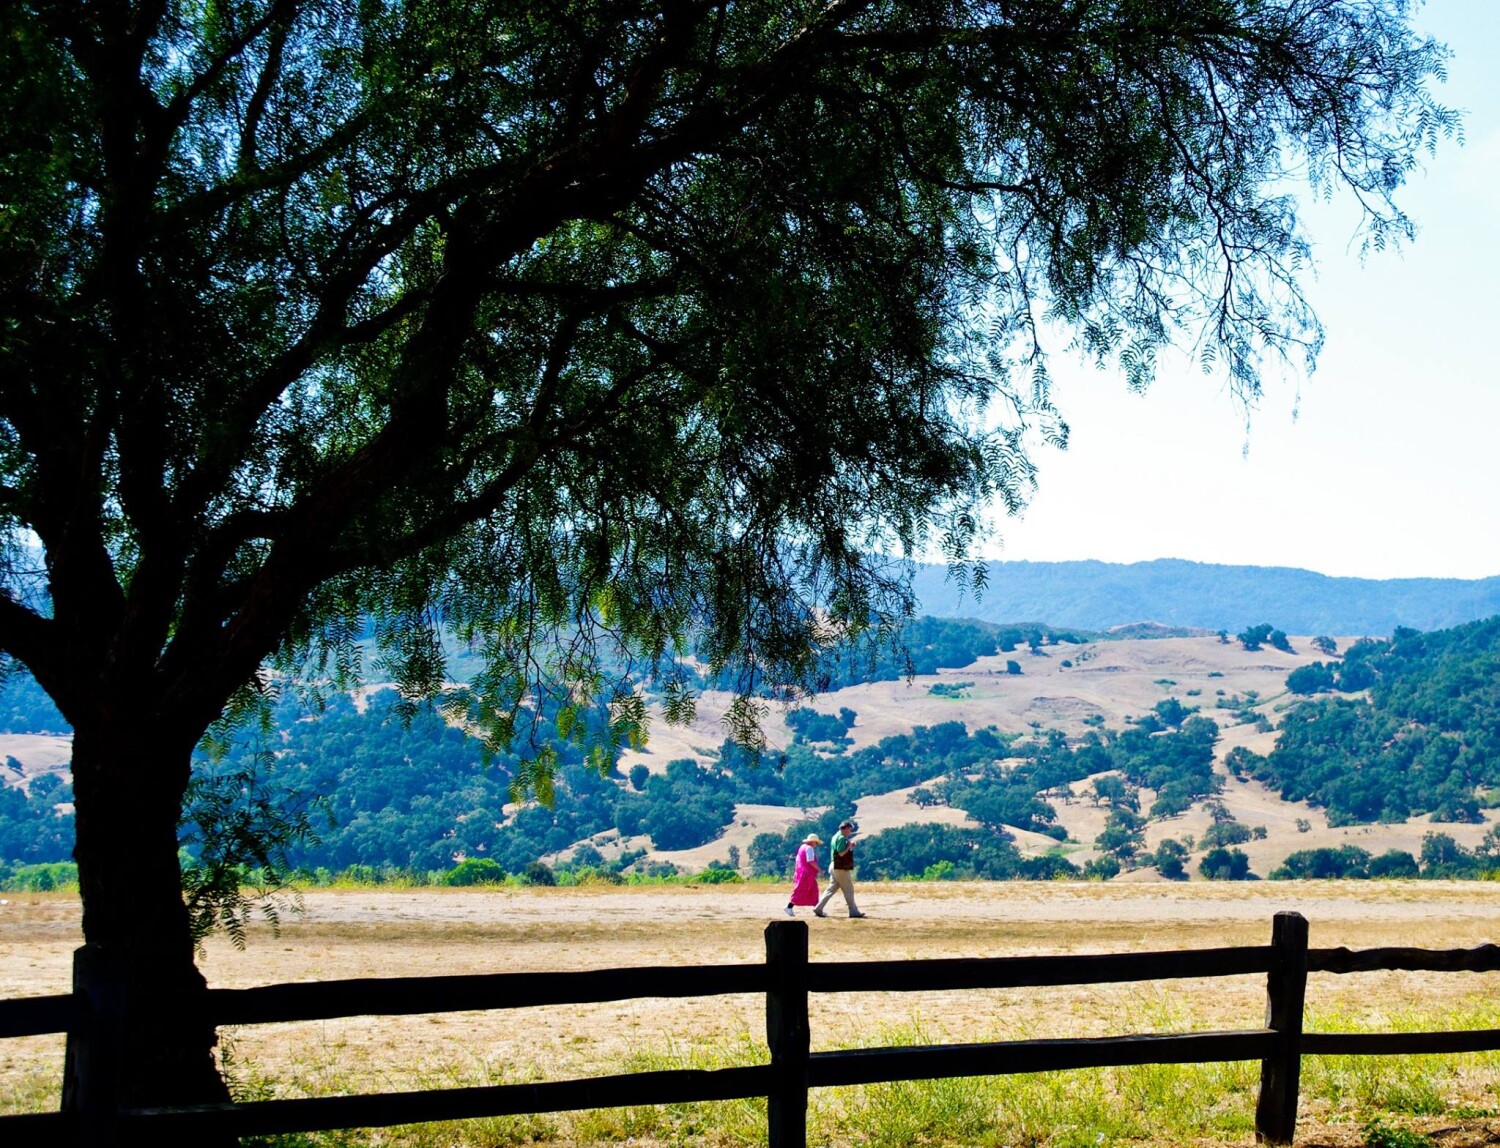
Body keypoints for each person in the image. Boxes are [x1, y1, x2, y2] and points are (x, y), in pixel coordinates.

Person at [816, 820, 865, 918]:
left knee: (831, 889)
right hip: (840, 867)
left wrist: (849, 846)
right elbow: (841, 853)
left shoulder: (835, 836)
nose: (850, 832)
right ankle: (853, 911)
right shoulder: (842, 838)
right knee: (848, 889)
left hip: (833, 865)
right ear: (846, 828)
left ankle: (818, 908)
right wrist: (849, 846)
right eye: (850, 830)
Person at [784, 833, 822, 916]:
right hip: (807, 874)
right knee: (801, 891)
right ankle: (789, 907)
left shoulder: (802, 848)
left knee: (813, 890)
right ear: (813, 842)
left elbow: (797, 861)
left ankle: (818, 909)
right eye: (816, 843)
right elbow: (810, 861)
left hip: (801, 872)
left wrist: (796, 872)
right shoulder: (809, 849)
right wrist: (819, 870)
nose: (817, 845)